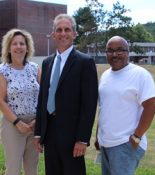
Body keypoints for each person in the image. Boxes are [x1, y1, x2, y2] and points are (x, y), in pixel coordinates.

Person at [34, 14, 98, 175]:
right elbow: (42, 99)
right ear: (53, 34)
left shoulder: (85, 62)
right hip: (50, 133)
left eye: (67, 29)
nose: (63, 33)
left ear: (74, 34)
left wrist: (82, 139)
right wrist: (39, 133)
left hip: (72, 136)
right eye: (59, 30)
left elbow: (89, 104)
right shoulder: (47, 62)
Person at [95, 36, 155, 175]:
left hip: (125, 144)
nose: (114, 54)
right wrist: (98, 136)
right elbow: (104, 108)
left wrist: (137, 137)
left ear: (128, 52)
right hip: (106, 143)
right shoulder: (105, 76)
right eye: (110, 51)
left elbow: (151, 106)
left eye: (120, 50)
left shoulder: (140, 74)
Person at [0, 29, 40, 175]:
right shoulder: (2, 71)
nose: (18, 47)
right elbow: (0, 101)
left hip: (34, 125)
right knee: (13, 169)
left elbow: (44, 96)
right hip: (12, 124)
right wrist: (17, 123)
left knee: (32, 169)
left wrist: (37, 120)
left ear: (27, 47)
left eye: (22, 43)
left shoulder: (35, 68)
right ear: (8, 47)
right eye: (14, 44)